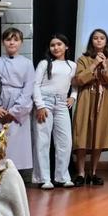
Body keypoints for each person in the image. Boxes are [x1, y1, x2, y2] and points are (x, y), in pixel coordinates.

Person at [0, 28, 35, 171]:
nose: (12, 43)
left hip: (17, 106)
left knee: (15, 144)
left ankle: (14, 173)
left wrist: (15, 111)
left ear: (21, 42)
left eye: (15, 40)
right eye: (8, 39)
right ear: (3, 42)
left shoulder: (27, 64)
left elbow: (28, 88)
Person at [72, 28, 108, 187]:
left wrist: (104, 65)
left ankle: (94, 172)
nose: (98, 41)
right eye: (95, 38)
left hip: (104, 97)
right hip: (86, 96)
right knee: (83, 132)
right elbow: (79, 79)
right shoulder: (83, 59)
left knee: (99, 133)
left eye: (102, 38)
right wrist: (94, 64)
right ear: (91, 41)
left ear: (106, 42)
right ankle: (81, 172)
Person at [31, 34, 76, 189]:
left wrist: (73, 96)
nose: (56, 47)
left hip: (62, 103)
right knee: (43, 140)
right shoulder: (45, 63)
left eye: (59, 44)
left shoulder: (72, 65)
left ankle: (62, 176)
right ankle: (43, 178)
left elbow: (75, 83)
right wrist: (40, 105)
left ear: (66, 46)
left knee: (65, 141)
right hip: (45, 102)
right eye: (52, 45)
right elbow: (35, 84)